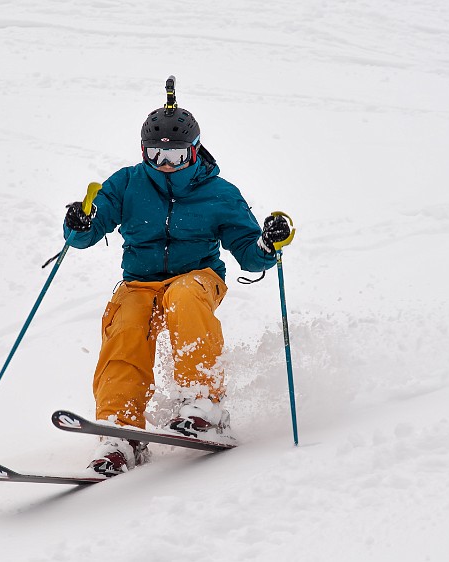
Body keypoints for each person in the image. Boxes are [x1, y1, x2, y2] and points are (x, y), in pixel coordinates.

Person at [63, 81, 291, 477]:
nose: (165, 163)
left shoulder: (220, 193)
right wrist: (79, 224)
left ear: (194, 150)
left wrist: (268, 246)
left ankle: (204, 405)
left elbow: (251, 256)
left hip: (199, 277)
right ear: (143, 152)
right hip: (139, 282)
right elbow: (87, 232)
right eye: (156, 154)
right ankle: (120, 433)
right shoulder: (127, 183)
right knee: (127, 324)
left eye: (175, 154)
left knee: (183, 296)